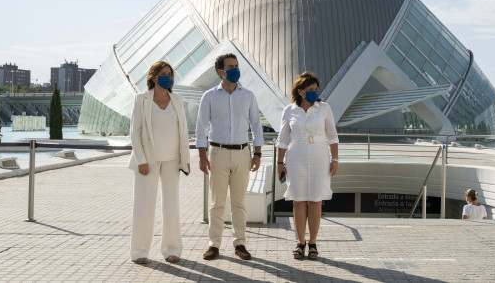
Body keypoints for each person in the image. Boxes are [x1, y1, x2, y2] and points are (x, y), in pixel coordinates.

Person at [195, 53, 264, 261]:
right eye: (230, 66)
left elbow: (256, 126)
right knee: (217, 203)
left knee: (239, 203)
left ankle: (240, 244)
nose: (235, 69)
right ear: (220, 72)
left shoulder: (248, 95)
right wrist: (201, 156)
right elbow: (200, 128)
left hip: (243, 153)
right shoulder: (209, 96)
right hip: (218, 153)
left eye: (236, 65)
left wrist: (258, 154)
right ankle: (213, 245)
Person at [127, 61, 191, 264]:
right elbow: (134, 132)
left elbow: (184, 131)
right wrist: (141, 160)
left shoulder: (177, 100)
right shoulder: (141, 99)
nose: (168, 77)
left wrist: (185, 159)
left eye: (170, 74)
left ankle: (172, 249)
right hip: (148, 161)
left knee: (171, 205)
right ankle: (140, 252)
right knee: (144, 206)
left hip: (173, 159)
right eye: (164, 73)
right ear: (154, 77)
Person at [275, 71, 339, 260]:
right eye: (310, 89)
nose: (314, 92)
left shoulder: (324, 108)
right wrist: (280, 163)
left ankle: (313, 243)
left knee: (315, 201)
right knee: (299, 201)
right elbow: (283, 139)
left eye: (316, 89)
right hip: (296, 158)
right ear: (301, 91)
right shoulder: (289, 110)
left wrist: (335, 160)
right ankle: (300, 242)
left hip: (320, 158)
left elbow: (333, 136)